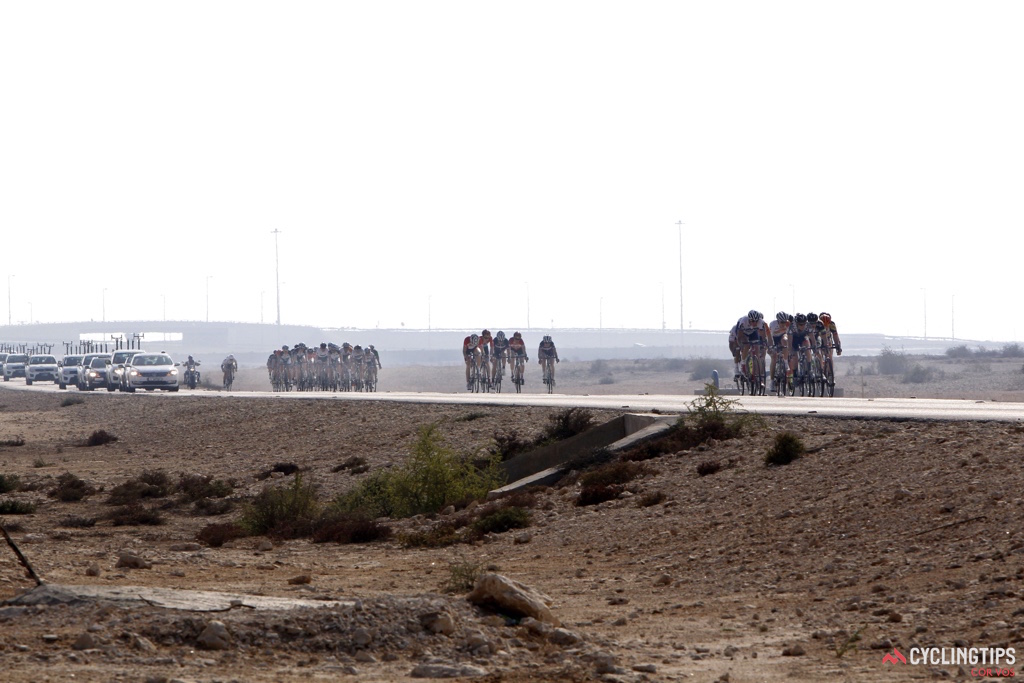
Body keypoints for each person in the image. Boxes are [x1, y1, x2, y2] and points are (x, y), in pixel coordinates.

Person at [729, 310, 770, 382]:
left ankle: (755, 374)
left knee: (757, 348)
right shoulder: (743, 321)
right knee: (745, 346)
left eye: (756, 321)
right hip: (742, 333)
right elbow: (739, 337)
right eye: (752, 321)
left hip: (752, 333)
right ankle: (741, 365)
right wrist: (740, 346)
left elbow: (763, 336)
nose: (754, 323)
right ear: (749, 320)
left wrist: (764, 343)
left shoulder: (761, 322)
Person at [787, 313, 817, 387]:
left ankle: (809, 369)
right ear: (796, 324)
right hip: (794, 339)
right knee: (795, 356)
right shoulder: (791, 327)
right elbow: (789, 342)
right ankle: (795, 375)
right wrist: (790, 351)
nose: (802, 326)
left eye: (804, 324)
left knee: (807, 348)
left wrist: (814, 347)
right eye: (800, 324)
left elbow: (812, 339)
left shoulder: (808, 326)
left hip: (803, 338)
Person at [767, 312, 791, 392]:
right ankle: (772, 381)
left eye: (785, 322)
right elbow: (769, 337)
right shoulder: (773, 325)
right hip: (773, 339)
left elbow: (790, 336)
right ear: (778, 321)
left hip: (782, 337)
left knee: (785, 341)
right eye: (782, 322)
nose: (784, 324)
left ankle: (785, 362)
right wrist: (770, 347)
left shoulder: (788, 324)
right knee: (774, 358)